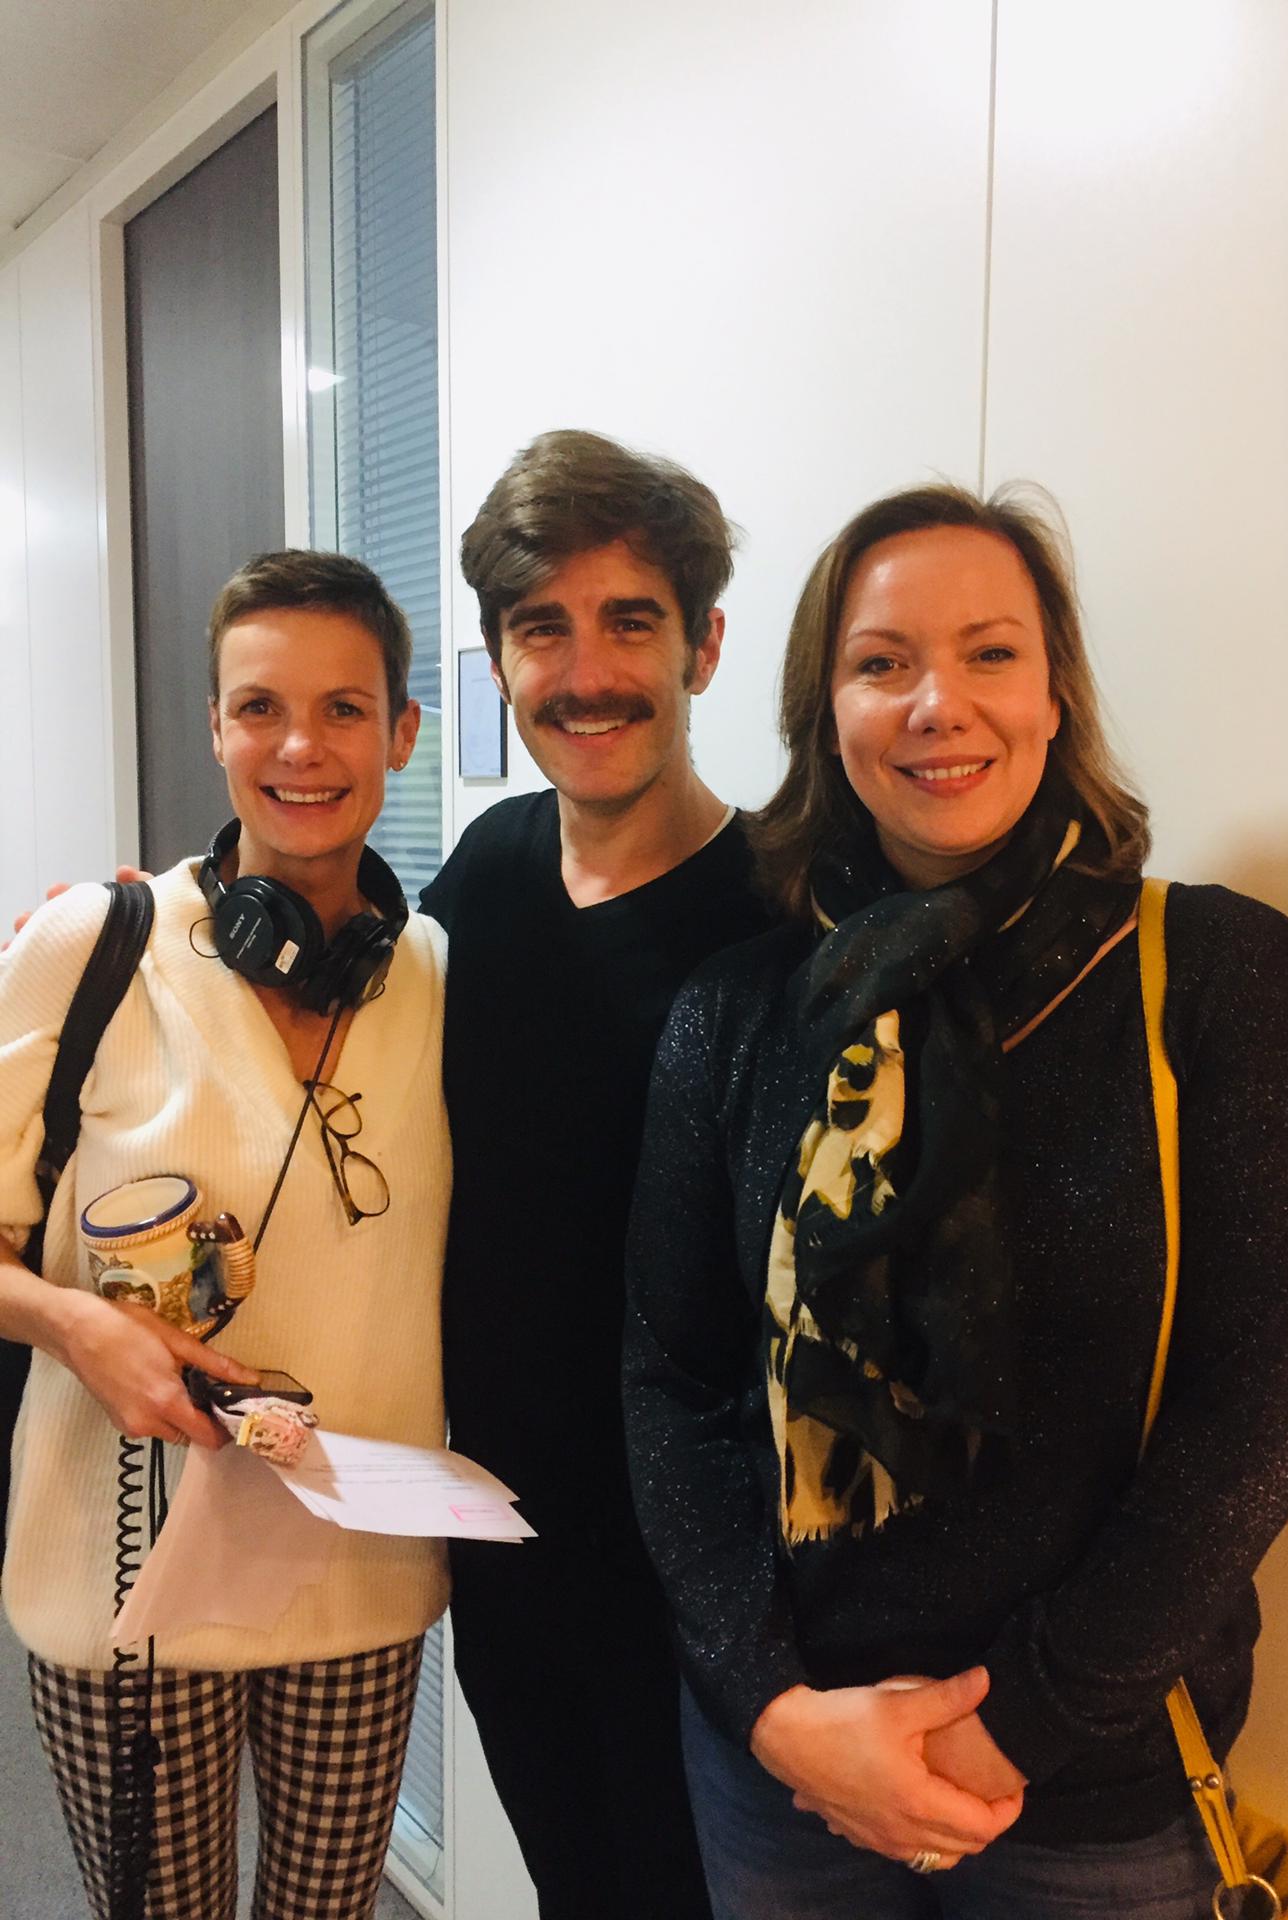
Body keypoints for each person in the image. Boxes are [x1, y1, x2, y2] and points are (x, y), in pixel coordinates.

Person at [623, 483, 1288, 1918]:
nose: (936, 705)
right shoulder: (739, 1012)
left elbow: (1254, 1412)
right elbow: (674, 1379)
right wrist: (771, 1707)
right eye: (882, 662)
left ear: (1055, 691)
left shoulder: (1212, 976)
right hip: (788, 1778)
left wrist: (1013, 1723)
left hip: (1094, 1789)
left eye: (990, 654)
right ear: (825, 711)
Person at [0, 550, 450, 1919]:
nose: (300, 748)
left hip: (359, 1569)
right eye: (260, 707)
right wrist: (74, 1326)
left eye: (344, 709)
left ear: (402, 732)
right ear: (214, 727)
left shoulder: (434, 975)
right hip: (127, 1578)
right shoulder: (94, 945)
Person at [418, 430, 771, 1919]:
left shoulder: (793, 916)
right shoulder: (485, 872)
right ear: (499, 659)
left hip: (717, 1593)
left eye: (631, 621)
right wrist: (138, 938)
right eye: (540, 628)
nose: (586, 674)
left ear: (704, 646)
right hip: (505, 1548)